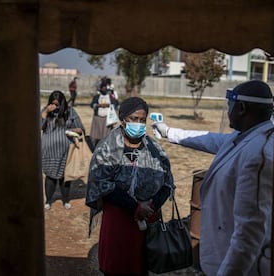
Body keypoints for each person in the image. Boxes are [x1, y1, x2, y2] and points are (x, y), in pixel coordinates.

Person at [154, 80, 274, 276]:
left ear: (242, 108)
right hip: (221, 254)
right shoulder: (246, 136)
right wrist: (169, 132)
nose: (228, 111)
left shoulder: (259, 154)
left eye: (230, 106)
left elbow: (250, 232)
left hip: (242, 266)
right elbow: (208, 138)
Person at [85, 97, 175, 276]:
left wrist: (151, 206)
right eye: (134, 119)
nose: (139, 124)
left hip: (148, 220)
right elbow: (100, 183)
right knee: (116, 265)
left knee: (141, 266)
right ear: (123, 118)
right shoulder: (107, 148)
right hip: (119, 219)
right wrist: (135, 207)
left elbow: (167, 182)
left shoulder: (155, 149)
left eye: (143, 120)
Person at [41, 90, 85, 210]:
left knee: (65, 178)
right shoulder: (45, 111)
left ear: (63, 103)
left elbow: (81, 129)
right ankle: (49, 200)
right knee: (50, 177)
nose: (55, 107)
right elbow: (40, 126)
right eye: (53, 104)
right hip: (48, 152)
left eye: (57, 104)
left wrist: (72, 130)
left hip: (66, 152)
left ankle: (65, 200)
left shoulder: (70, 112)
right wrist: (46, 111)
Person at [89, 82, 119, 146]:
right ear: (100, 89)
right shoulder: (97, 97)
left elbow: (116, 105)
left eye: (105, 88)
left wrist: (108, 105)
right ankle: (95, 146)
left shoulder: (111, 97)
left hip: (107, 119)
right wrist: (97, 105)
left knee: (106, 134)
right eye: (102, 88)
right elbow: (92, 105)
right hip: (97, 118)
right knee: (96, 134)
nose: (104, 89)